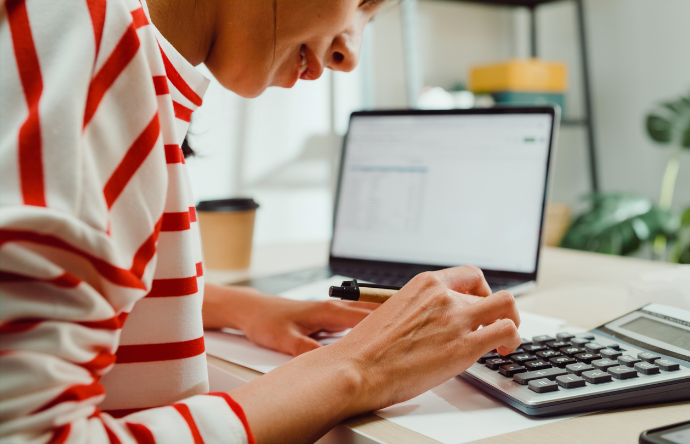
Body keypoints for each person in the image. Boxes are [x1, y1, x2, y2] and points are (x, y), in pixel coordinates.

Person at [0, 0, 521, 442]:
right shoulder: (89, 40)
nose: (349, 54)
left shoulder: (95, 46)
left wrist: (231, 305)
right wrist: (358, 368)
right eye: (362, 2)